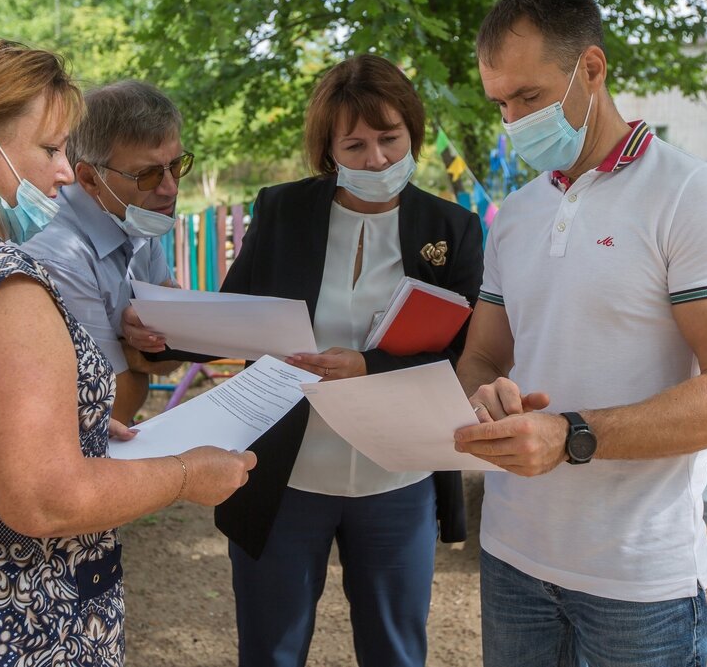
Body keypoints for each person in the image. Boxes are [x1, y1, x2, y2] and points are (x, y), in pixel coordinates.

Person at [0, 38, 255, 667]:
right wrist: (187, 476)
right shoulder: (0, 283)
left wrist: (77, 421)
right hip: (5, 632)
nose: (65, 173)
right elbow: (45, 499)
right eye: (52, 149)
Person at [128, 53, 483, 666]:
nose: (377, 159)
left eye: (390, 138)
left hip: (397, 478)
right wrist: (158, 330)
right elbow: (235, 316)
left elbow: (469, 355)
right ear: (328, 151)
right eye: (355, 145)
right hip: (286, 472)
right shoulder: (283, 210)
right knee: (271, 649)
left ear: (414, 133)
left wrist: (369, 366)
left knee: (396, 651)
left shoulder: (453, 228)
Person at [452, 0, 707, 667]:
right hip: (511, 556)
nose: (514, 120)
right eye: (500, 103)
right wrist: (485, 397)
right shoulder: (518, 215)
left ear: (590, 68)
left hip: (639, 581)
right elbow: (481, 359)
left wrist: (571, 435)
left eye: (529, 97)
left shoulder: (693, 197)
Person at [22, 80, 189, 424]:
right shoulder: (59, 255)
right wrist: (139, 352)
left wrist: (150, 348)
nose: (170, 188)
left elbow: (175, 353)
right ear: (89, 179)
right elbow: (113, 407)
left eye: (177, 166)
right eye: (147, 175)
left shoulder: (135, 217)